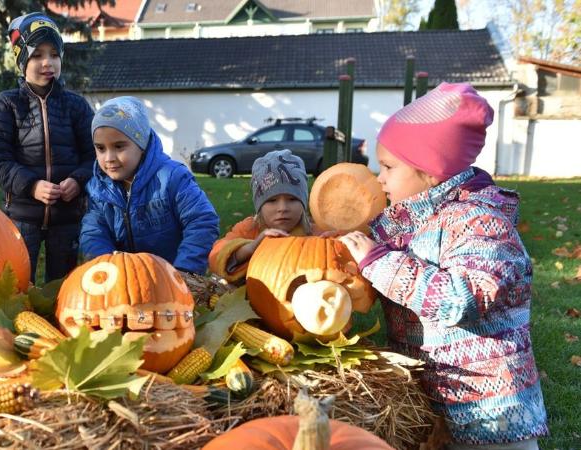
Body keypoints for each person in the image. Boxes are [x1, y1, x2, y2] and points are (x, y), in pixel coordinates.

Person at [338, 83, 548, 449]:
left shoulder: (482, 224)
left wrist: (379, 261)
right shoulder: (410, 222)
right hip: (440, 401)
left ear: (430, 171)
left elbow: (460, 298)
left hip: (490, 416)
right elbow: (385, 260)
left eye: (388, 166)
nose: (379, 178)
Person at [0, 12, 94, 284]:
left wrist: (78, 180)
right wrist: (31, 185)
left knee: (63, 288)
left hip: (68, 218)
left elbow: (94, 156)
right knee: (20, 285)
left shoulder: (75, 106)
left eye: (54, 54)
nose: (47, 63)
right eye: (37, 54)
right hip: (22, 216)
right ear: (22, 61)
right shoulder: (7, 104)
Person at [80, 96, 219, 274]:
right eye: (101, 148)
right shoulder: (98, 188)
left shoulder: (173, 178)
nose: (109, 158)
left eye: (119, 146)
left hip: (174, 277)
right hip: (122, 282)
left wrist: (185, 271)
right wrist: (105, 269)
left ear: (142, 143)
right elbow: (94, 232)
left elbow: (201, 221)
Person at [208, 149, 312, 283]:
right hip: (248, 300)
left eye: (292, 199)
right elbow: (216, 256)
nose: (283, 208)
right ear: (260, 206)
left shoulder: (314, 234)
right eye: (272, 200)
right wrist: (251, 247)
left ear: (303, 202)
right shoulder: (249, 229)